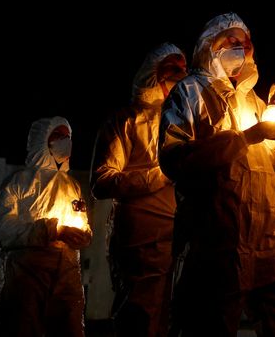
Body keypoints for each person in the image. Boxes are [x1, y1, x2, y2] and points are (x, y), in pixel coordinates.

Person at [158, 12, 275, 337]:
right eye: (232, 42)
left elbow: (268, 163)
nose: (241, 49)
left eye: (246, 45)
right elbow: (175, 160)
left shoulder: (254, 100)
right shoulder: (189, 93)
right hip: (216, 241)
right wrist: (245, 138)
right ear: (210, 45)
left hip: (266, 240)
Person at [90, 42, 187, 337]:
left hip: (176, 235)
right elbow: (102, 181)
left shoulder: (180, 122)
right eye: (173, 70)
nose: (181, 77)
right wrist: (158, 176)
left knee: (168, 315)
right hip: (139, 237)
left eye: (184, 71)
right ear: (153, 75)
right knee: (138, 313)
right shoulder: (125, 121)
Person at [0, 116, 92, 337]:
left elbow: (82, 221)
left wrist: (84, 235)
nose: (66, 142)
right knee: (22, 327)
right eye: (59, 137)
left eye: (69, 137)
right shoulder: (19, 182)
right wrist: (48, 231)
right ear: (42, 140)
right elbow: (0, 229)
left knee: (69, 328)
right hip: (27, 275)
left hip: (67, 276)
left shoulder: (72, 185)